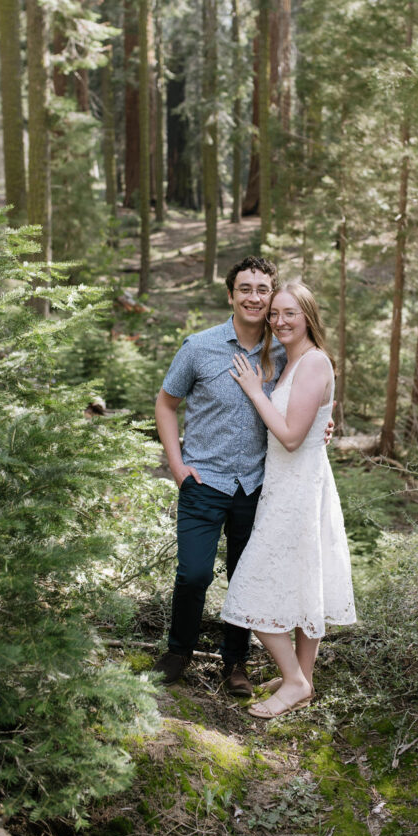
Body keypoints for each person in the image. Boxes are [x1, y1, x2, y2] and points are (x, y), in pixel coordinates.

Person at [221, 280, 356, 719]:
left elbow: (293, 437)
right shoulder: (295, 361)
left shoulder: (313, 363)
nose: (278, 321)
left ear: (308, 316)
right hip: (293, 484)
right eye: (274, 314)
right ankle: (303, 679)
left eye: (289, 314)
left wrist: (255, 391)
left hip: (297, 489)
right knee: (301, 580)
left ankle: (295, 682)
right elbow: (309, 423)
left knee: (251, 587)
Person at [153, 256, 284, 695]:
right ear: (230, 295)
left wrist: (324, 424)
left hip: (257, 485)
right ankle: (178, 652)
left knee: (244, 575)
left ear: (271, 296)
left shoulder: (283, 350)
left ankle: (236, 664)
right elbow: (166, 404)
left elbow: (307, 398)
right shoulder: (199, 346)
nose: (254, 296)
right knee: (193, 574)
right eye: (245, 288)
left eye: (262, 289)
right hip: (204, 481)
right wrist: (177, 466)